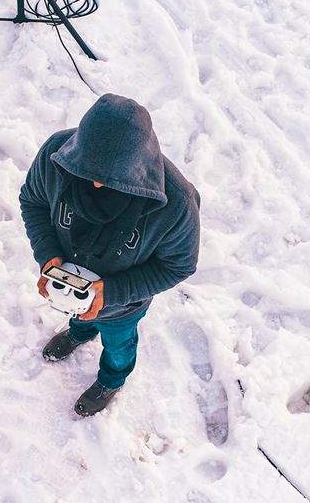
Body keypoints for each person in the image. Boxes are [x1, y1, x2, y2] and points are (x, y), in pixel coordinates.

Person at [19, 93, 200, 416]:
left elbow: (179, 265)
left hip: (122, 307)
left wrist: (114, 293)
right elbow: (32, 201)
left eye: (113, 180)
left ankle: (112, 378)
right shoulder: (55, 154)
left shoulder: (177, 203)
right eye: (88, 173)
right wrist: (47, 255)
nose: (98, 185)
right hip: (71, 290)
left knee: (118, 344)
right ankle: (79, 332)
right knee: (80, 318)